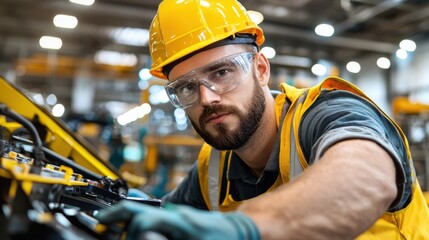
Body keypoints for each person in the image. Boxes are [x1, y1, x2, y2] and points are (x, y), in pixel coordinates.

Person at [96, 0, 429, 239]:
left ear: (260, 69)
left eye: (222, 72)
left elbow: (367, 175)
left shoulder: (325, 113)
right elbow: (166, 219)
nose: (207, 98)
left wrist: (247, 226)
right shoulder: (214, 167)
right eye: (185, 87)